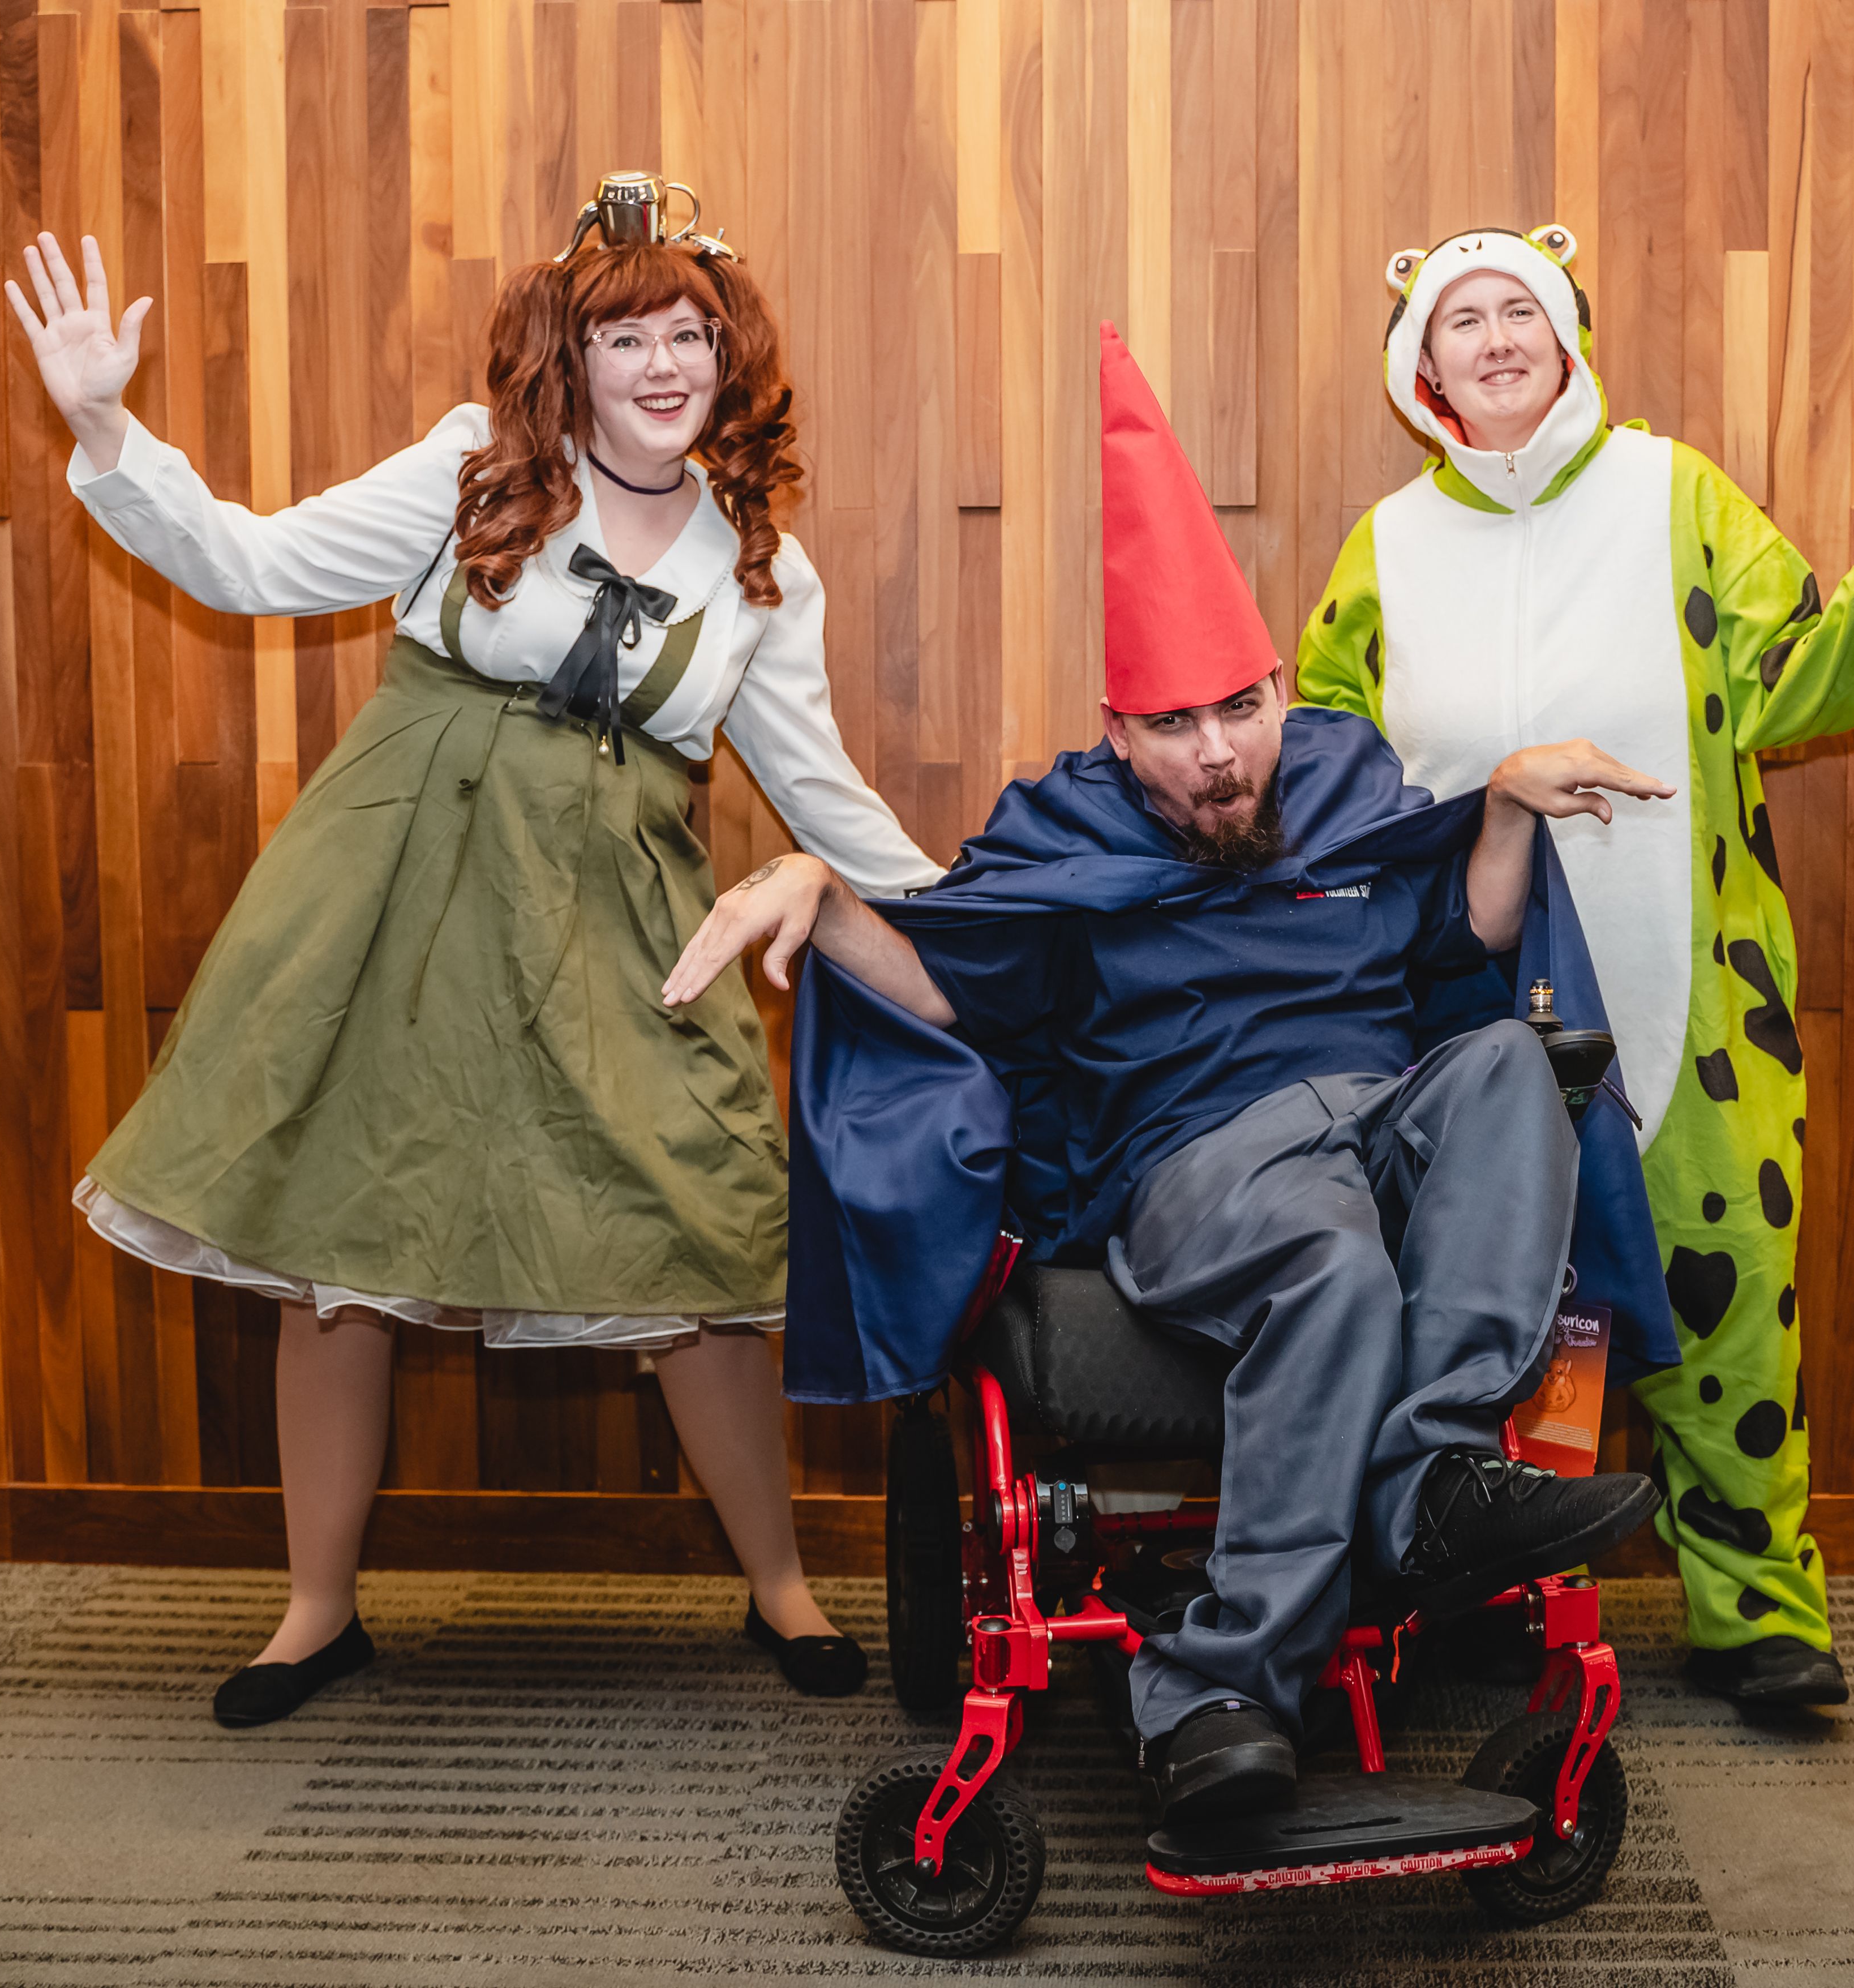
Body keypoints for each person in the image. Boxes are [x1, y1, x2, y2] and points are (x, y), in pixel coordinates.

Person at [665, 328, 1671, 1823]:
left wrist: (1509, 806)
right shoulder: (1063, 830)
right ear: (1117, 727)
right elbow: (958, 989)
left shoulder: (1339, 775)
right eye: (1174, 726)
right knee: (1330, 1268)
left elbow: (1455, 940)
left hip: (1377, 1120)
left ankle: (1426, 1477)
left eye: (1241, 709)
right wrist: (817, 892)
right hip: (1192, 1166)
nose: (1218, 754)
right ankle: (1211, 1683)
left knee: (1503, 1070)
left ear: (1278, 687)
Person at [1, 175, 943, 1725]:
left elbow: (826, 797)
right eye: (619, 333)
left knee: (692, 1254)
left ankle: (780, 1586)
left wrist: (992, 926)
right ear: (563, 359)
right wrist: (109, 428)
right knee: (339, 1251)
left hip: (619, 926)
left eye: (687, 334)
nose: (657, 364)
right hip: (396, 897)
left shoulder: (760, 564)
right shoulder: (472, 468)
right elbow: (250, 565)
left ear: (727, 358)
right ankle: (316, 1611)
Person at [1293, 225, 1854, 1708]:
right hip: (1456, 994)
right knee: (1478, 1305)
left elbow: (1793, 677)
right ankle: (1476, 1598)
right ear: (1421, 370)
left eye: (1514, 310)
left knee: (1724, 1298)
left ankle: (1760, 1615)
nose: (1488, 338)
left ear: (1565, 334)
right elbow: (1327, 763)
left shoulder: (1677, 497)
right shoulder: (1384, 548)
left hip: (1692, 987)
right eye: (1456, 319)